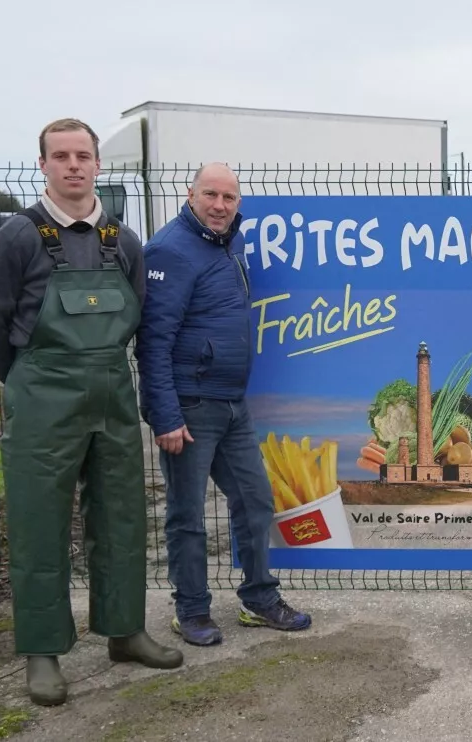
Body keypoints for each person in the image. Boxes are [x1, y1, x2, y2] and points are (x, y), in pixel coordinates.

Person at [0, 118, 183, 706]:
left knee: (121, 519)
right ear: (43, 165)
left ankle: (126, 631)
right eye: (60, 156)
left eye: (82, 155)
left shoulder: (122, 240)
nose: (73, 165)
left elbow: (138, 316)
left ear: (97, 165)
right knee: (40, 526)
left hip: (111, 396)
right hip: (41, 402)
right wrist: (26, 384)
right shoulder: (16, 238)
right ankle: (42, 652)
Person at [135, 163, 311, 647]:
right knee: (187, 515)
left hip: (233, 404)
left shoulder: (228, 242)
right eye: (210, 195)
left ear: (238, 203)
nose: (219, 205)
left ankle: (259, 599)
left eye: (229, 198)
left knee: (255, 500)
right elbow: (152, 341)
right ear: (189, 195)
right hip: (190, 407)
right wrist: (165, 415)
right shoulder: (169, 250)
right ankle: (190, 611)